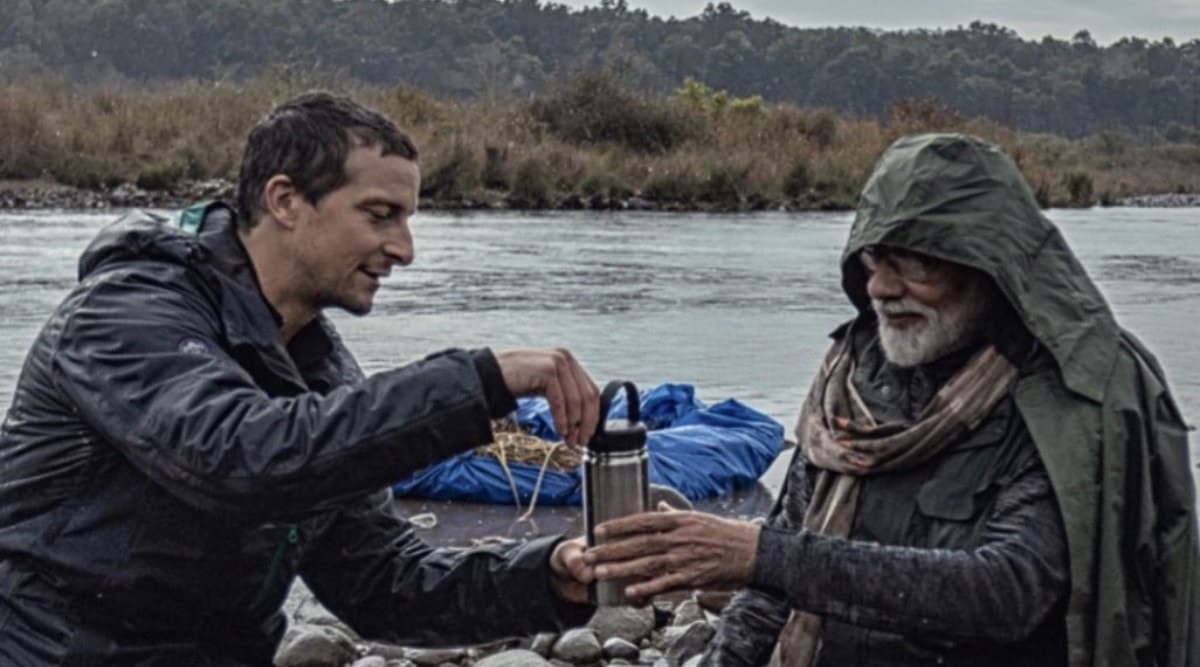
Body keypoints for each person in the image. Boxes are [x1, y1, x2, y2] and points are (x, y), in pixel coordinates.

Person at [0, 92, 599, 665]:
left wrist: (550, 576)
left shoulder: (317, 367)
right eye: (379, 215)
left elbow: (382, 581)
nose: (404, 248)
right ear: (285, 201)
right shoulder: (128, 309)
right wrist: (481, 380)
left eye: (407, 219)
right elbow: (239, 457)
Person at [582, 133, 1199, 666]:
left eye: (914, 265)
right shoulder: (854, 380)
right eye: (875, 261)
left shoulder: (1068, 395)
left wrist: (761, 555)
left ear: (989, 267)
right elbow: (770, 591)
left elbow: (1009, 590)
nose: (880, 287)